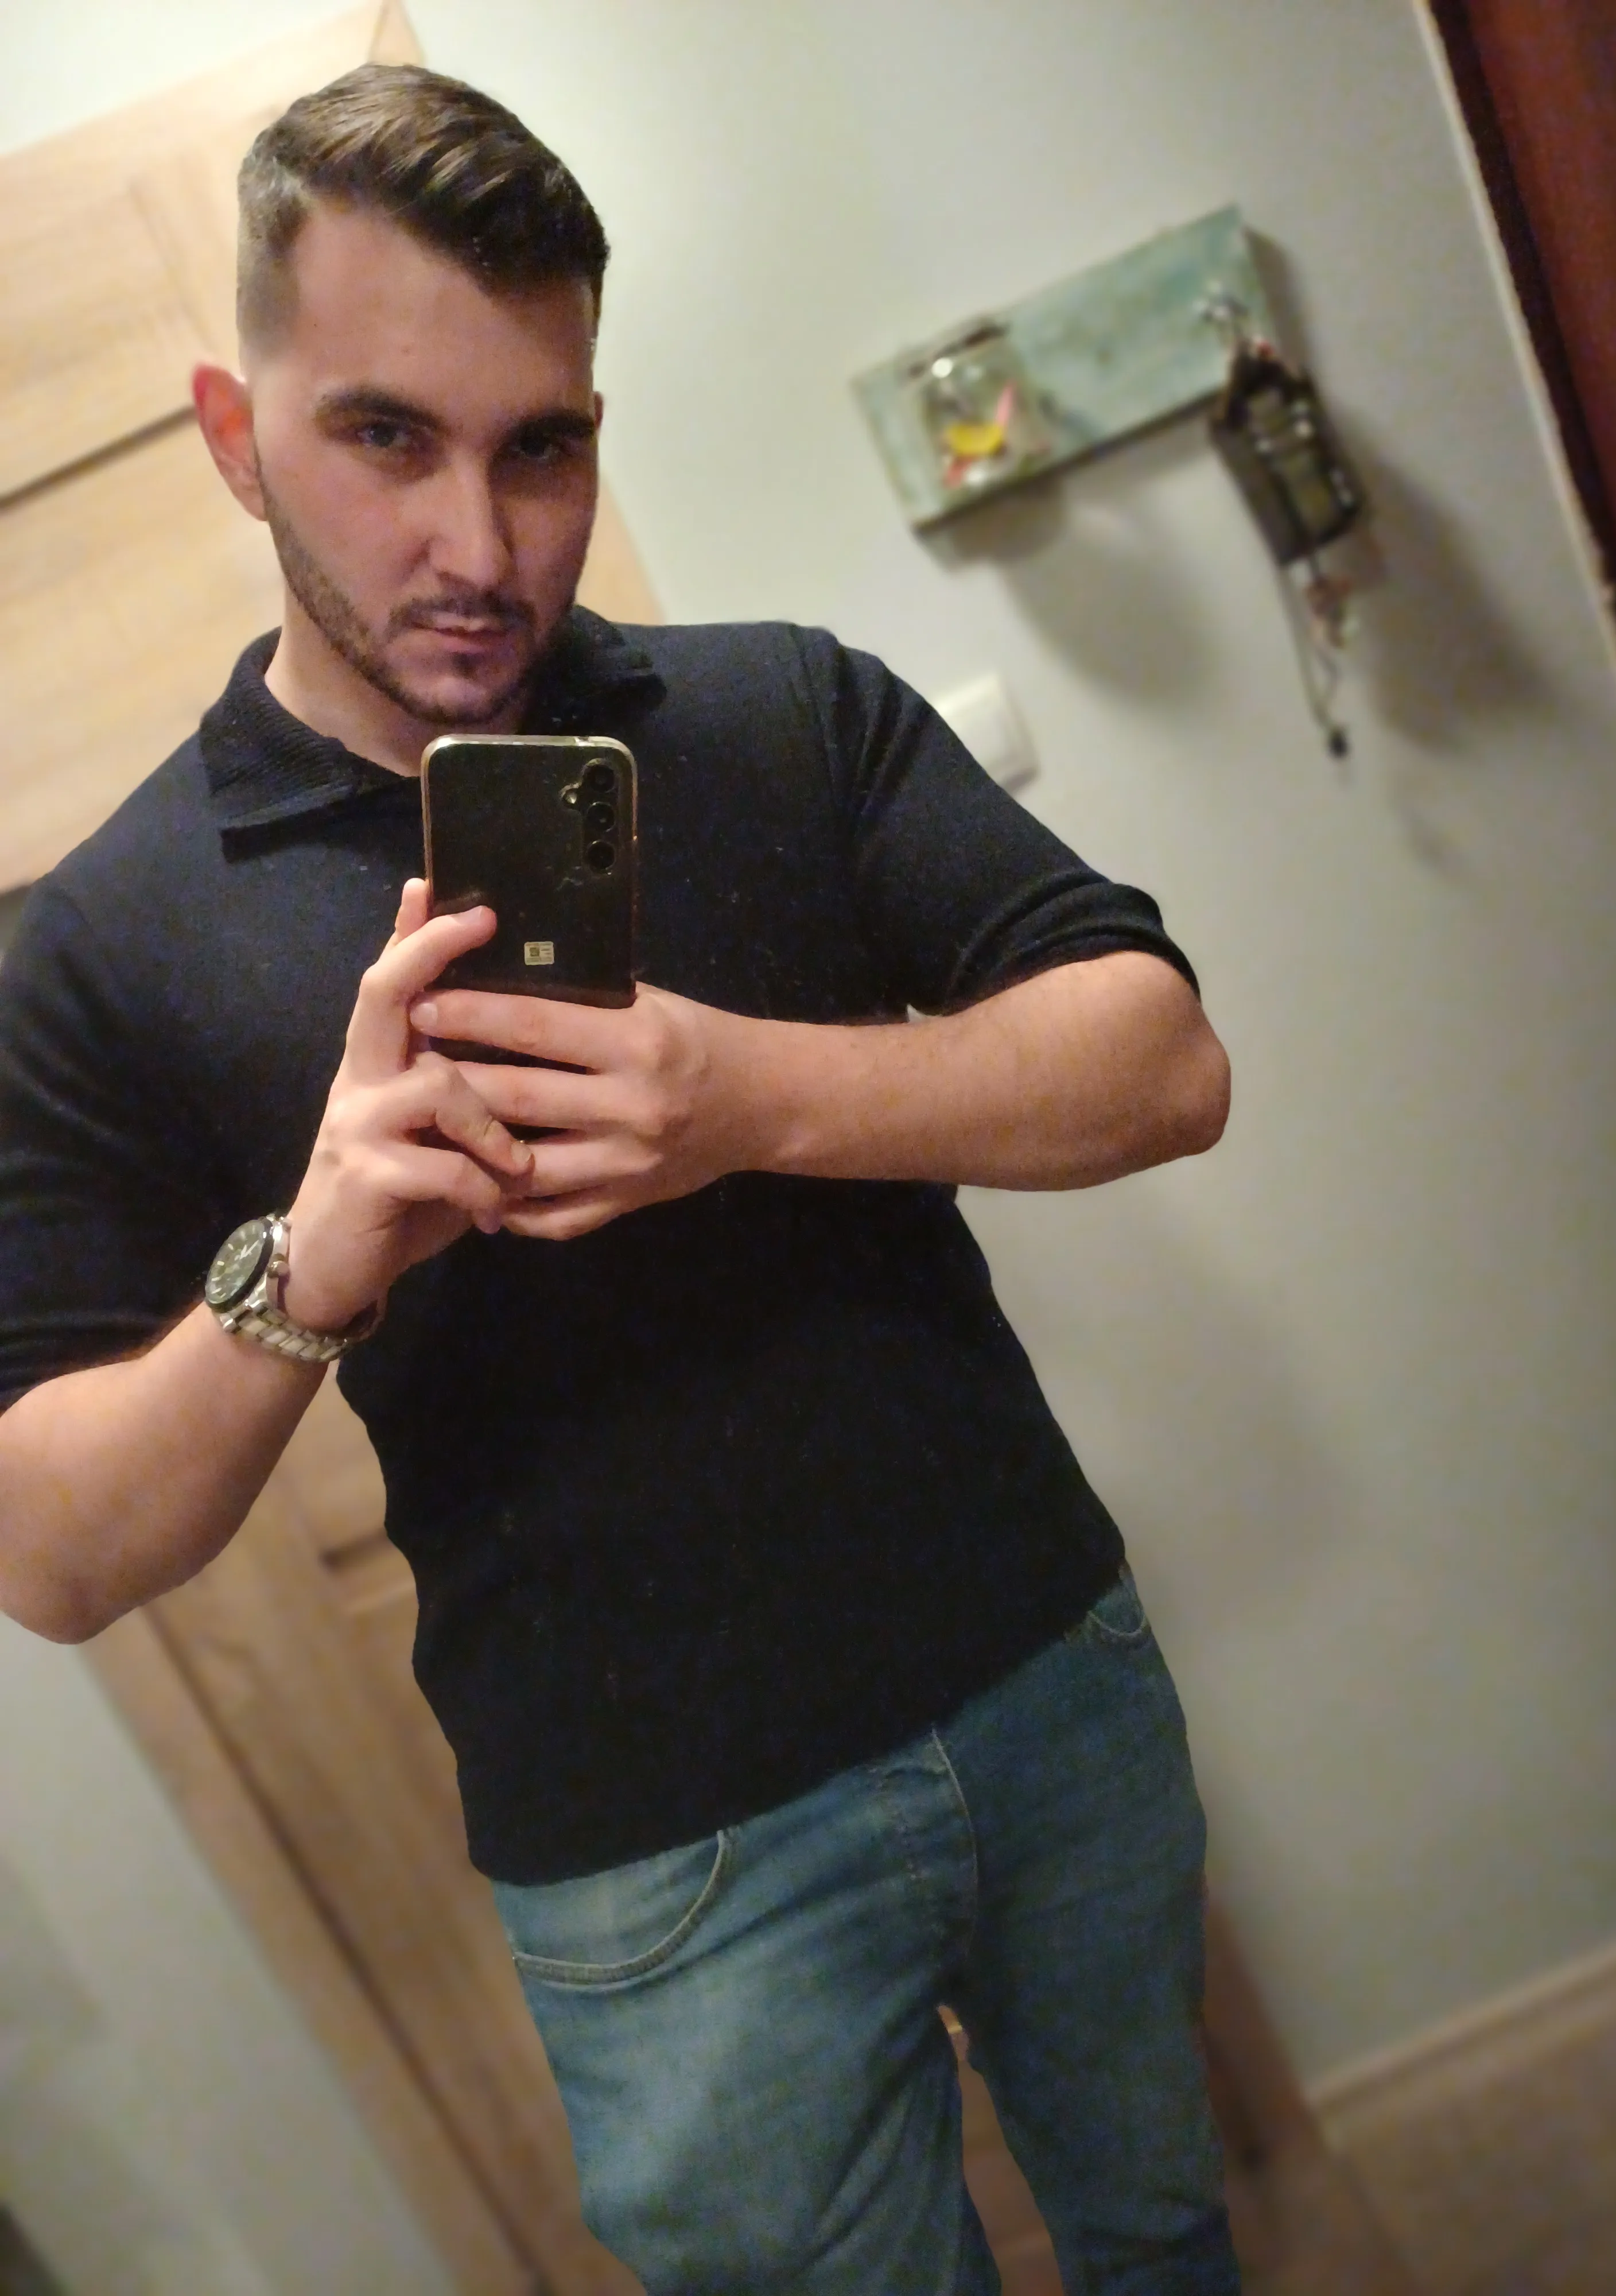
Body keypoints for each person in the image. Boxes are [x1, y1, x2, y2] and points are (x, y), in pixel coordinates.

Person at [0, 64, 1238, 2296]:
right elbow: (54, 1550)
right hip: (663, 1859)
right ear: (233, 431)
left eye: (542, 447)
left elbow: (1161, 1061)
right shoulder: (103, 941)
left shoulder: (781, 713)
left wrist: (743, 1099)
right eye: (387, 437)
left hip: (1045, 1667)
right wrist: (316, 1259)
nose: (480, 548)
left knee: (1161, 2232)